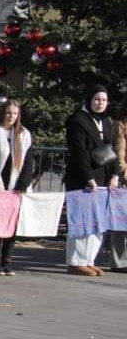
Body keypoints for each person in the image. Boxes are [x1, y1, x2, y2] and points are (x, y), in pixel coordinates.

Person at [65, 85, 119, 276]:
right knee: (81, 222)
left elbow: (111, 150)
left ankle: (88, 259)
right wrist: (88, 177)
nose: (100, 103)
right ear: (89, 100)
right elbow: (79, 152)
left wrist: (115, 175)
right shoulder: (77, 121)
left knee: (97, 222)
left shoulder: (106, 122)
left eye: (104, 100)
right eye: (97, 99)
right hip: (83, 179)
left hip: (102, 179)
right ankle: (75, 262)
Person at [0, 99, 34, 276]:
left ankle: (7, 262)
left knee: (12, 226)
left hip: (15, 187)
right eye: (8, 113)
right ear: (2, 113)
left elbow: (28, 162)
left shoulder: (24, 135)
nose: (11, 116)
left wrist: (22, 185)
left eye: (15, 113)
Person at [111, 98, 127, 273]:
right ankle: (120, 262)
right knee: (122, 223)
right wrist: (124, 175)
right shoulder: (120, 125)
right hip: (125, 179)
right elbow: (119, 155)